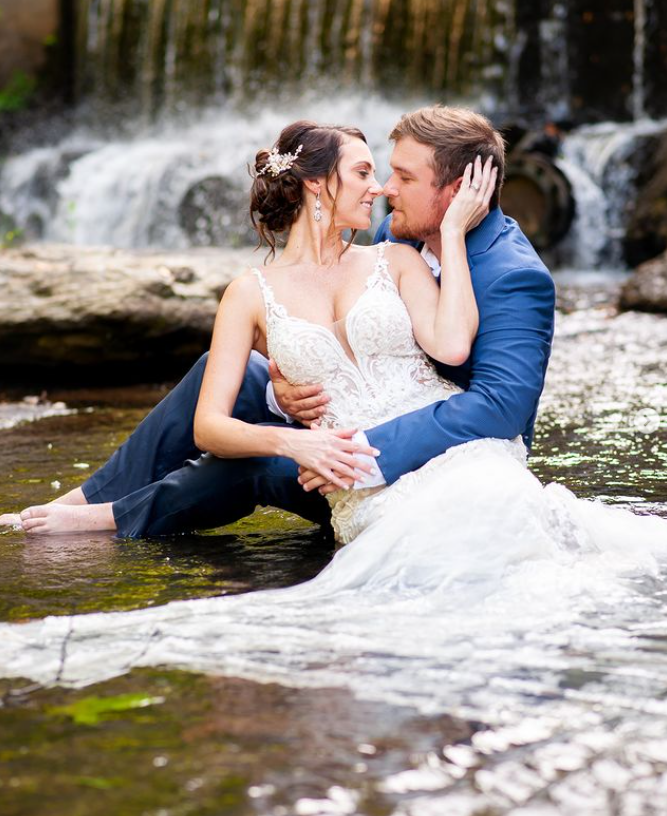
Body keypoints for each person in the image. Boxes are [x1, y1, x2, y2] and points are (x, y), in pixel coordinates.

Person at [3, 108, 663, 549]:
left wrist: (348, 449)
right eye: (375, 174)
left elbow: (495, 405)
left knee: (252, 459)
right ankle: (87, 495)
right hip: (336, 429)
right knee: (223, 378)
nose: (382, 191)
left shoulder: (511, 275)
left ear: (458, 190)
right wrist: (285, 390)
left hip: (406, 452)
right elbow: (326, 319)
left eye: (400, 178)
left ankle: (104, 520)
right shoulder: (388, 235)